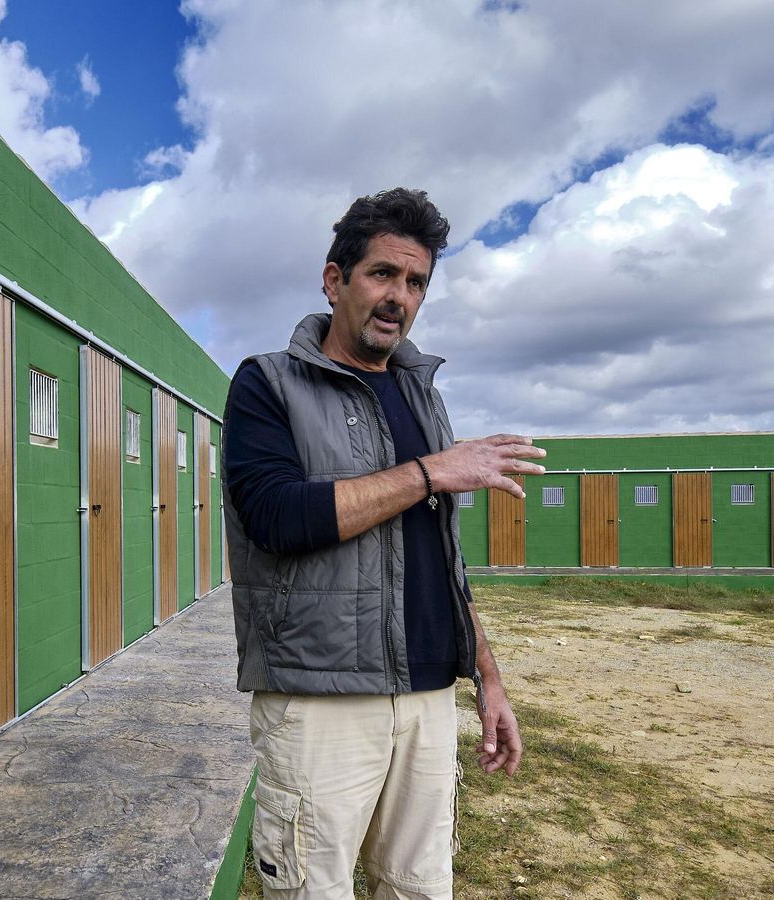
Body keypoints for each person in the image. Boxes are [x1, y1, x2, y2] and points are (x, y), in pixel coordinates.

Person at [221, 187, 546, 899]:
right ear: (334, 279)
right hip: (319, 701)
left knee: (418, 889)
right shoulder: (269, 384)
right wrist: (431, 471)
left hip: (427, 698)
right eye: (383, 274)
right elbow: (275, 515)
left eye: (417, 282)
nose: (399, 296)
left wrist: (488, 678)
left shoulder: (422, 397)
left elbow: (443, 559)